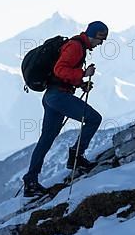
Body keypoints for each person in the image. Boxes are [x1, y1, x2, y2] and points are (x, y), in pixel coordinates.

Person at [22, 21, 109, 197]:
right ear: (92, 35)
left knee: (46, 139)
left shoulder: (77, 45)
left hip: (52, 97)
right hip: (59, 97)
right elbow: (60, 70)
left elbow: (61, 73)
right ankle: (76, 157)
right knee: (93, 119)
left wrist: (81, 83)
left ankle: (30, 181)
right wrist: (83, 74)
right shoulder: (76, 47)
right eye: (100, 39)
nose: (101, 43)